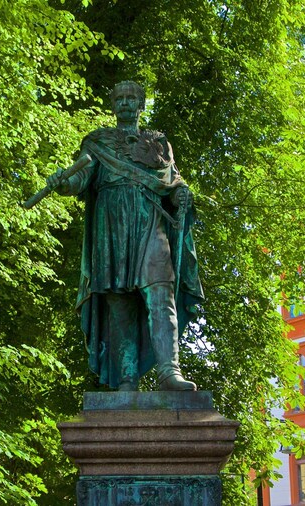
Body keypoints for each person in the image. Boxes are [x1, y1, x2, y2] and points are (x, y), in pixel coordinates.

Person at [48, 81, 203, 391]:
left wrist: (181, 196)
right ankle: (127, 378)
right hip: (112, 228)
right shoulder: (96, 142)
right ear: (113, 103)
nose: (125, 102)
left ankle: (169, 372)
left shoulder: (158, 142)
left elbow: (172, 182)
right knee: (120, 305)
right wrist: (62, 183)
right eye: (119, 97)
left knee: (162, 295)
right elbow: (80, 179)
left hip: (150, 224)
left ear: (141, 103)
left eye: (131, 97)